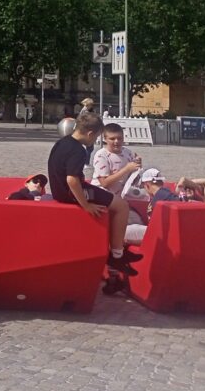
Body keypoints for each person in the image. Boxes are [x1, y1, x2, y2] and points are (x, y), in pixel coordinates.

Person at [47, 113, 140, 275]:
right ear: (90, 134)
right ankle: (117, 256)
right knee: (121, 206)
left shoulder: (62, 142)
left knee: (114, 205)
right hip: (70, 193)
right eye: (96, 137)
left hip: (58, 190)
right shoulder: (78, 150)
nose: (94, 141)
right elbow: (72, 180)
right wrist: (86, 205)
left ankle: (115, 249)